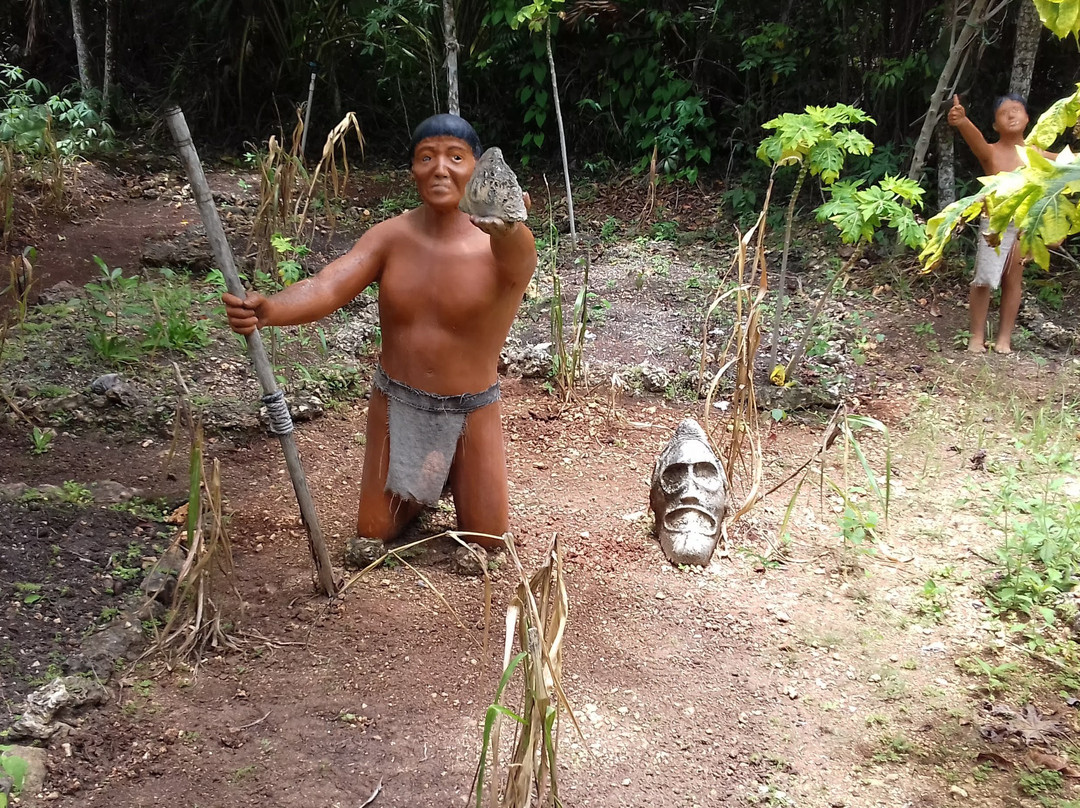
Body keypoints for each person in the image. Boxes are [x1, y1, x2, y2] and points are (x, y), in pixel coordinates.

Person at [224, 114, 537, 553]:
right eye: (426, 157)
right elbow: (328, 284)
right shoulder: (391, 236)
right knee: (371, 534)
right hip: (397, 405)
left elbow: (520, 257)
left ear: (475, 166)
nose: (440, 168)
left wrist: (509, 224)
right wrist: (270, 308)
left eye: (455, 157)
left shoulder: (499, 245)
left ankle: (452, 482)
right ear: (413, 169)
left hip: (471, 412)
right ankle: (419, 493)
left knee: (486, 541)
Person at [948, 92, 1052, 354]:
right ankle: (976, 336)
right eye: (1004, 112)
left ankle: (1004, 338)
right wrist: (962, 122)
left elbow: (1069, 163)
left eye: (1017, 109)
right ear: (995, 124)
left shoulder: (1038, 154)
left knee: (1013, 280)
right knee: (983, 279)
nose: (1011, 114)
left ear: (1028, 117)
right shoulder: (992, 153)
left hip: (1024, 225)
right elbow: (977, 142)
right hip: (994, 223)